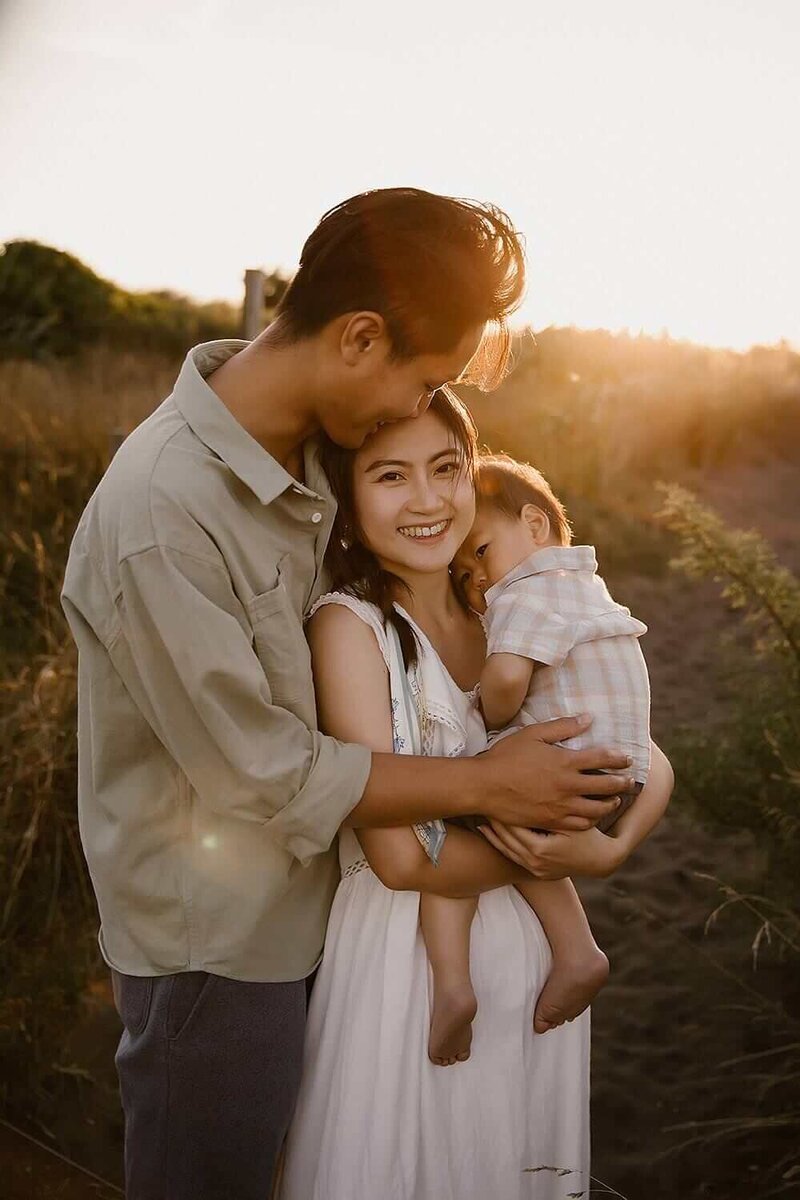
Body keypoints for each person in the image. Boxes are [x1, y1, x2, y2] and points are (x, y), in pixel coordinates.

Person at [60, 188, 633, 1200]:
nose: (417, 409)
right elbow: (265, 773)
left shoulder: (316, 447)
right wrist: (492, 782)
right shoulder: (162, 514)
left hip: (337, 918)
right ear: (360, 337)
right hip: (219, 951)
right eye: (426, 378)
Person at [278, 394, 673, 1199]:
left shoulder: (503, 604)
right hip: (407, 966)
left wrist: (611, 847)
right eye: (391, 476)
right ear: (347, 501)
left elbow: (646, 752)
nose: (427, 500)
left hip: (528, 968)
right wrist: (545, 837)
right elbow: (397, 857)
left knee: (505, 1162)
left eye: (447, 469)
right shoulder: (351, 629)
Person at [413, 452, 652, 1064]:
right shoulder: (589, 590)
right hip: (622, 774)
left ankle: (453, 986)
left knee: (445, 828)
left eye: (482, 553)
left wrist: (484, 713)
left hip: (566, 767)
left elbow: (507, 683)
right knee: (525, 845)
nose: (480, 581)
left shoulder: (526, 593)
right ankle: (577, 951)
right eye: (464, 575)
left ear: (536, 527)